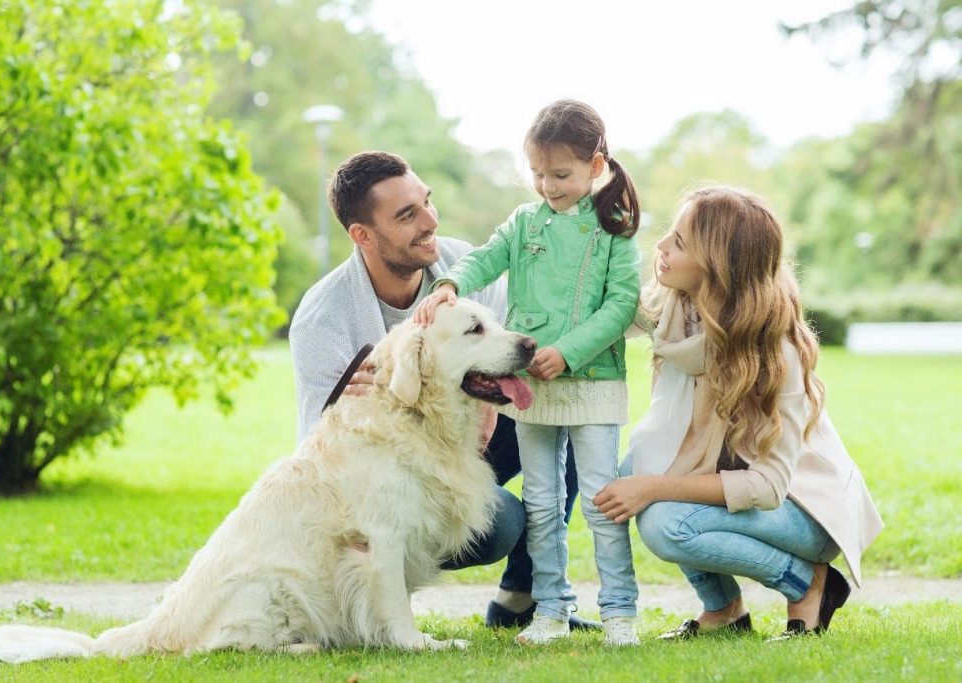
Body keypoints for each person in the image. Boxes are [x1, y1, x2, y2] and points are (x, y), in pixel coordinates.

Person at [288, 150, 593, 631]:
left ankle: (521, 598)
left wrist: (486, 406)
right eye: (407, 215)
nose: (429, 220)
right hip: (388, 469)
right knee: (502, 524)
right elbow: (317, 450)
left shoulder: (460, 263)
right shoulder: (323, 319)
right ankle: (388, 595)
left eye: (426, 202)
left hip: (469, 427)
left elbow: (504, 350)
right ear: (361, 235)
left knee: (571, 426)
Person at [593, 186, 883, 641]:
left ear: (719, 268)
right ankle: (725, 611)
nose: (662, 248)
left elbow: (768, 487)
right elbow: (604, 314)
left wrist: (653, 486)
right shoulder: (678, 307)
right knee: (641, 467)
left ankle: (808, 584)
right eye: (670, 233)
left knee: (666, 521)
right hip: (737, 478)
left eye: (681, 243)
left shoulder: (773, 352)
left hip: (803, 510)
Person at [415, 100, 642, 647]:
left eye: (560, 174)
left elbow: (620, 305)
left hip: (592, 385)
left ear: (596, 164)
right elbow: (485, 258)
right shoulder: (524, 222)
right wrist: (449, 285)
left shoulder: (615, 230)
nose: (547, 186)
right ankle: (550, 608)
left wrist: (567, 352)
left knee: (599, 500)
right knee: (541, 502)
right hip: (534, 389)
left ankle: (619, 613)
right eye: (538, 174)